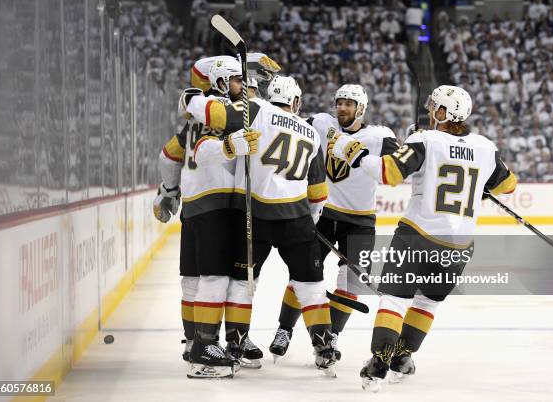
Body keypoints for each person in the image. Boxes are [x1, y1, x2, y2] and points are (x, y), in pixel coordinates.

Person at [328, 85, 517, 391]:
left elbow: (389, 173)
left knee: (393, 299)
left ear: (444, 112)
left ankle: (379, 364)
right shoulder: (485, 147)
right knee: (427, 302)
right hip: (458, 247)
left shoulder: (425, 139)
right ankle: (402, 357)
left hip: (418, 235)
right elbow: (508, 185)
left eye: (435, 107)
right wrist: (482, 182)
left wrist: (355, 153)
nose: (431, 111)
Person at [186, 75, 338, 375]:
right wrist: (311, 222)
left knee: (243, 284)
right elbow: (319, 193)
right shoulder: (310, 132)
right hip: (297, 219)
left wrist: (191, 98)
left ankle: (236, 344)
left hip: (254, 217)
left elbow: (214, 114)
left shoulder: (255, 109)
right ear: (296, 102)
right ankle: (324, 348)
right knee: (311, 286)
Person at [154, 54, 278, 378]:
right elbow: (206, 149)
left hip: (193, 207)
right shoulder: (225, 113)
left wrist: (169, 191)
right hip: (217, 205)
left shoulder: (193, 119)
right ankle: (205, 352)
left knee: (192, 281)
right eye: (239, 80)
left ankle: (193, 342)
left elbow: (167, 156)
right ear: (223, 82)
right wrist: (228, 148)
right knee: (216, 279)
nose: (245, 87)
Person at [268, 84, 398, 362]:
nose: (342, 108)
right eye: (339, 103)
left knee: (351, 283)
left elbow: (398, 165)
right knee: (301, 276)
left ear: (361, 108)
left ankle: (332, 336)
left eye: (349, 104)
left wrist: (416, 143)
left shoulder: (379, 135)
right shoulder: (319, 123)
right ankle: (284, 329)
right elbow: (285, 127)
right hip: (322, 216)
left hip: (360, 221)